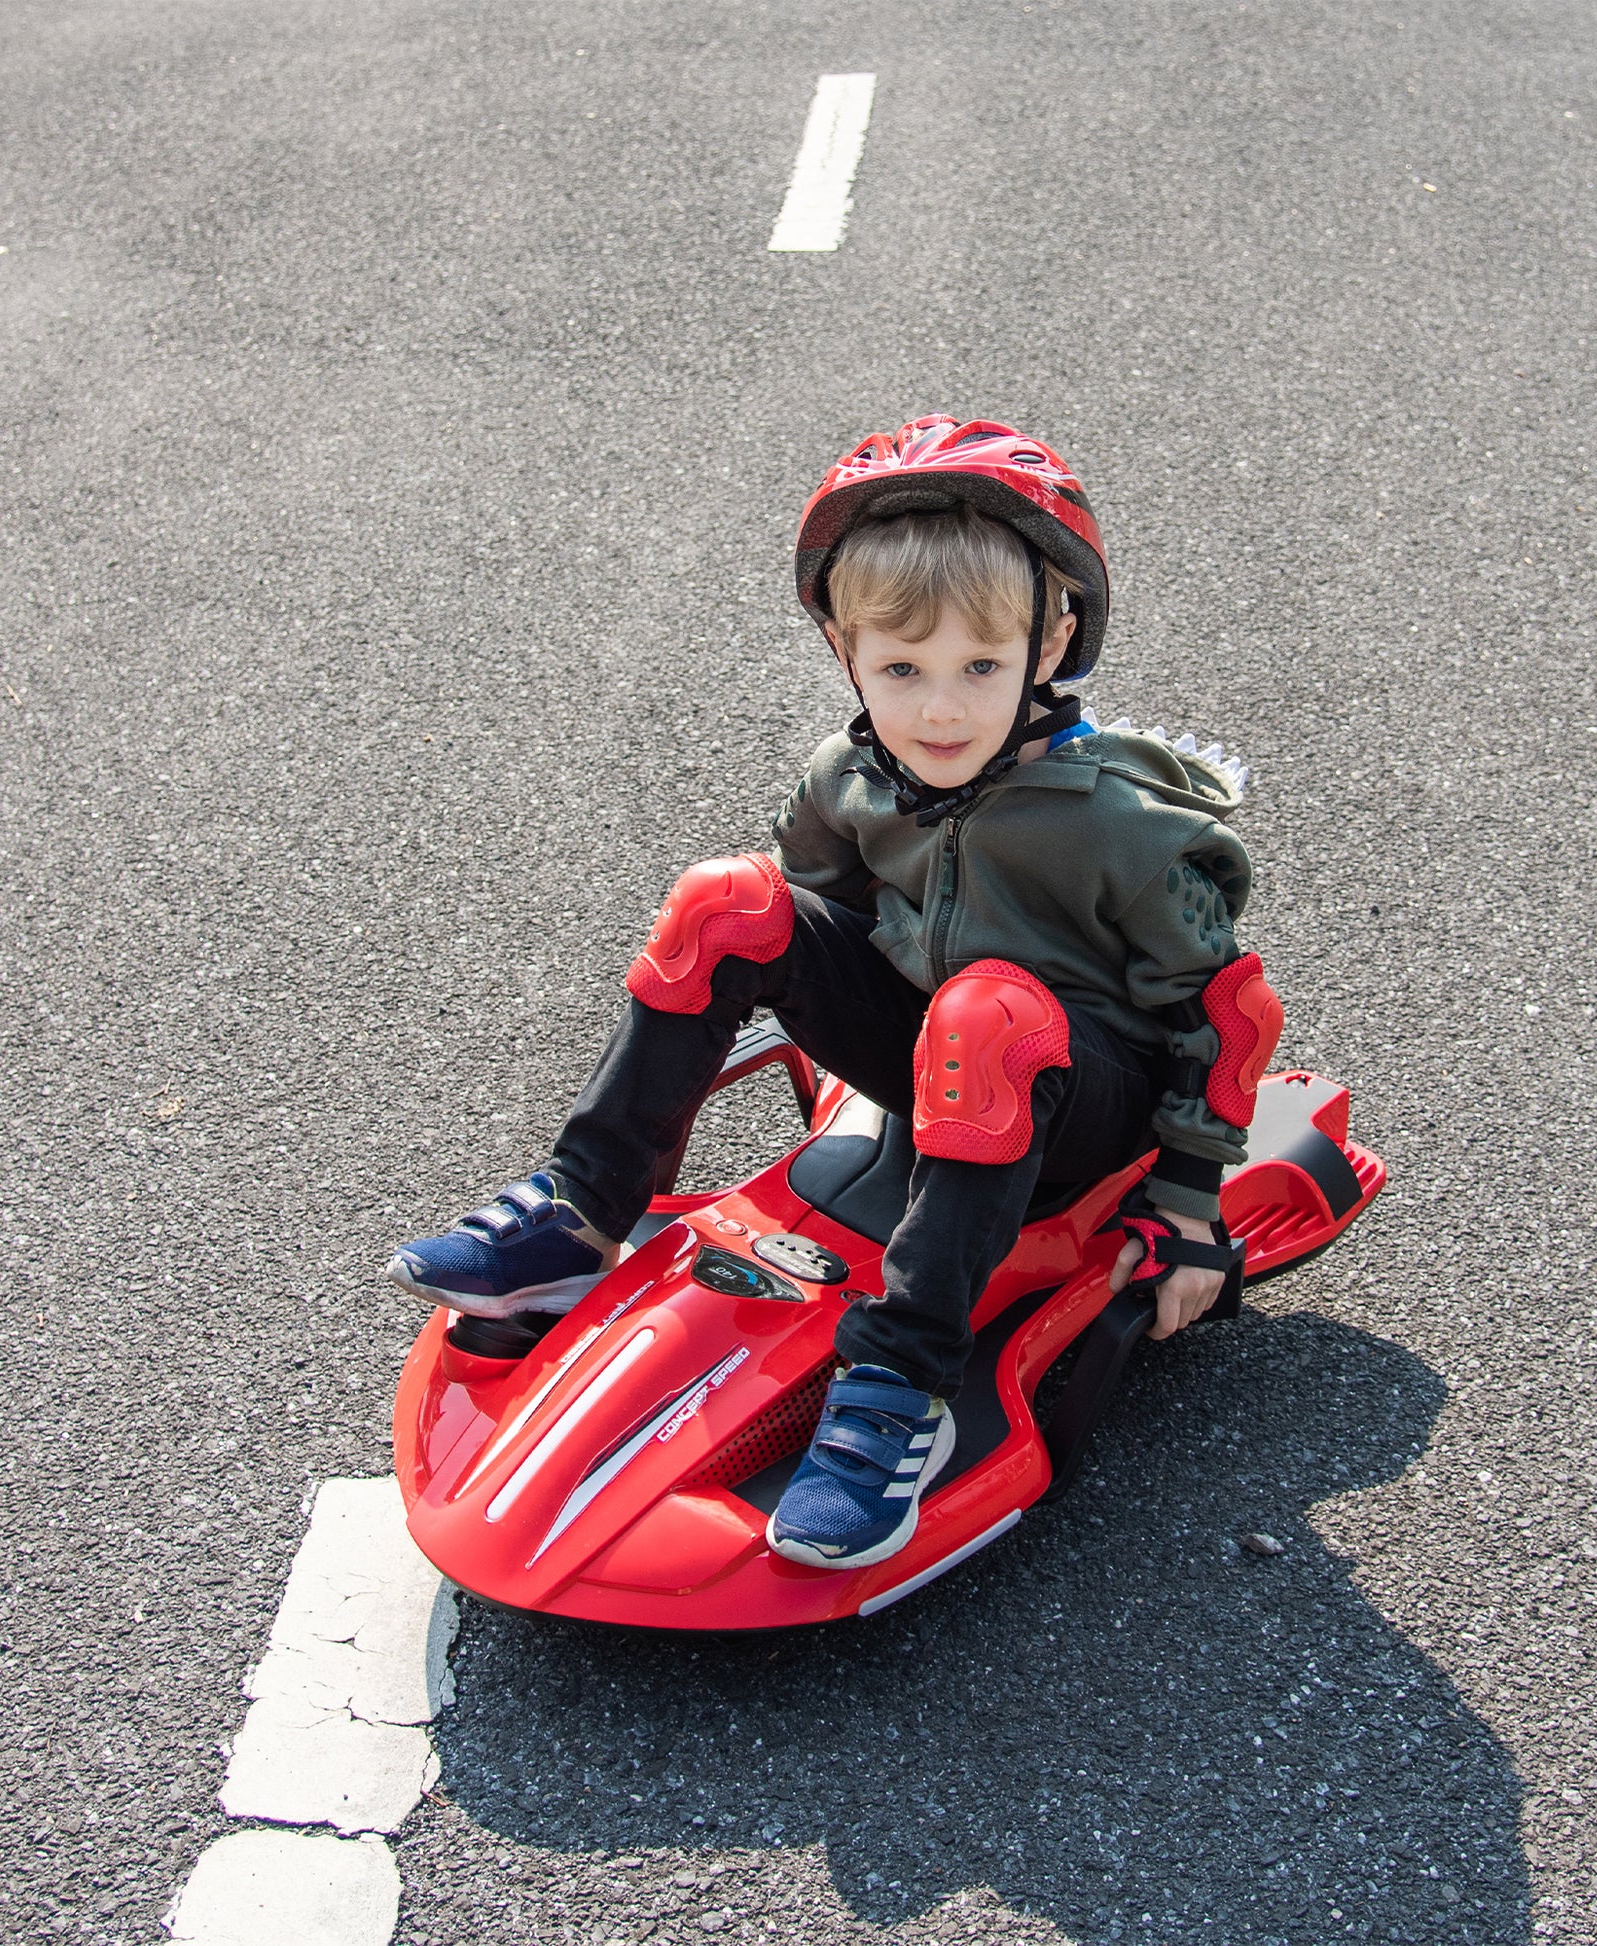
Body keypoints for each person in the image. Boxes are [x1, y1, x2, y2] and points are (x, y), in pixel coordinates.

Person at [386, 414, 1282, 1571]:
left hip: (1077, 1097)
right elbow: (808, 926)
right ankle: (578, 1208)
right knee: (727, 899)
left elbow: (1223, 1013)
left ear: (1051, 640)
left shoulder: (1125, 826)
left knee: (988, 1015)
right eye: (900, 669)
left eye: (978, 666)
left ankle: (897, 1382)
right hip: (946, 1060)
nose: (940, 710)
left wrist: (1188, 1204)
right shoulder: (850, 778)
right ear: (842, 646)